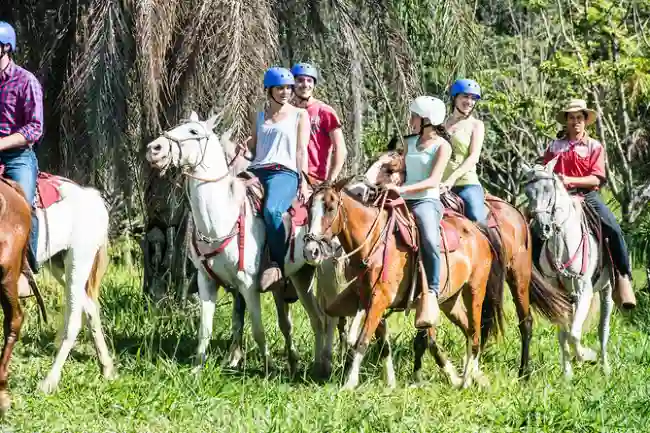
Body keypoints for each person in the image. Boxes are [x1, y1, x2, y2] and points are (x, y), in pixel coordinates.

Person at [533, 98, 636, 310]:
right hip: (558, 197)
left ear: (585, 120)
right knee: (533, 228)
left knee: (614, 229)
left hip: (587, 195)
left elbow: (597, 178)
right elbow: (544, 169)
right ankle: (536, 280)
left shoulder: (594, 146)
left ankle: (622, 276)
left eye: (579, 117)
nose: (575, 121)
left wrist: (569, 180)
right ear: (566, 121)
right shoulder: (554, 146)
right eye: (571, 118)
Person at [385, 96, 452, 328]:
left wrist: (402, 188)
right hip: (401, 198)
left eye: (414, 115)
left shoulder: (443, 147)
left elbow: (433, 180)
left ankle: (431, 291)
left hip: (426, 201)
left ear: (426, 120)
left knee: (430, 240)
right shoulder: (409, 142)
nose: (410, 120)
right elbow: (403, 170)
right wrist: (395, 177)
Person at [245, 67, 310, 292]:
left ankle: (277, 266)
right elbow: (253, 146)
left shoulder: (300, 115)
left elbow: (301, 150)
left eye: (288, 88)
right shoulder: (259, 116)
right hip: (257, 170)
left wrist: (303, 180)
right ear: (268, 90)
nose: (285, 92)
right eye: (279, 88)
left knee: (272, 211)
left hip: (284, 173)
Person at [0, 21, 43, 280]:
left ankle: (26, 264)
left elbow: (35, 128)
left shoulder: (26, 81)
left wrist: (2, 143)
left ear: (6, 47)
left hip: (18, 157)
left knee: (23, 204)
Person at [290, 63, 347, 186]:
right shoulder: (286, 112)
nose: (305, 84)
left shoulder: (325, 112)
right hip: (288, 175)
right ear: (292, 84)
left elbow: (340, 149)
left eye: (309, 80)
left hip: (314, 179)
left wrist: (330, 180)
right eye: (300, 80)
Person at [442, 78, 488, 225]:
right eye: (465, 97)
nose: (469, 102)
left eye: (473, 98)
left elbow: (473, 157)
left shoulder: (476, 125)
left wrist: (451, 180)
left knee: (477, 218)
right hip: (439, 185)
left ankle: (496, 248)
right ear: (455, 98)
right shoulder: (441, 125)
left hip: (466, 184)